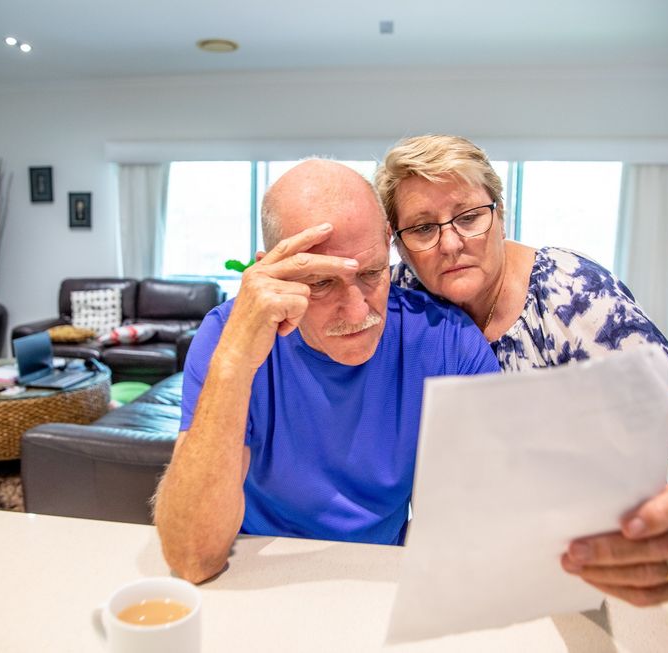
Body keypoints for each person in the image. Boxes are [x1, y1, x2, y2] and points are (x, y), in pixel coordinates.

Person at [376, 134, 668, 653]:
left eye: (469, 216)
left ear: (501, 213)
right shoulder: (402, 294)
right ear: (400, 240)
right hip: (471, 571)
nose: (450, 243)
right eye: (423, 228)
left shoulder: (571, 293)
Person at [153, 160, 499, 583]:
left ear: (389, 244)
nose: (358, 312)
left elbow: (479, 528)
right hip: (253, 572)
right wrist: (234, 362)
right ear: (272, 271)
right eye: (320, 283)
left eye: (372, 273)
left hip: (382, 578)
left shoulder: (445, 340)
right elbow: (192, 557)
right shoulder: (229, 335)